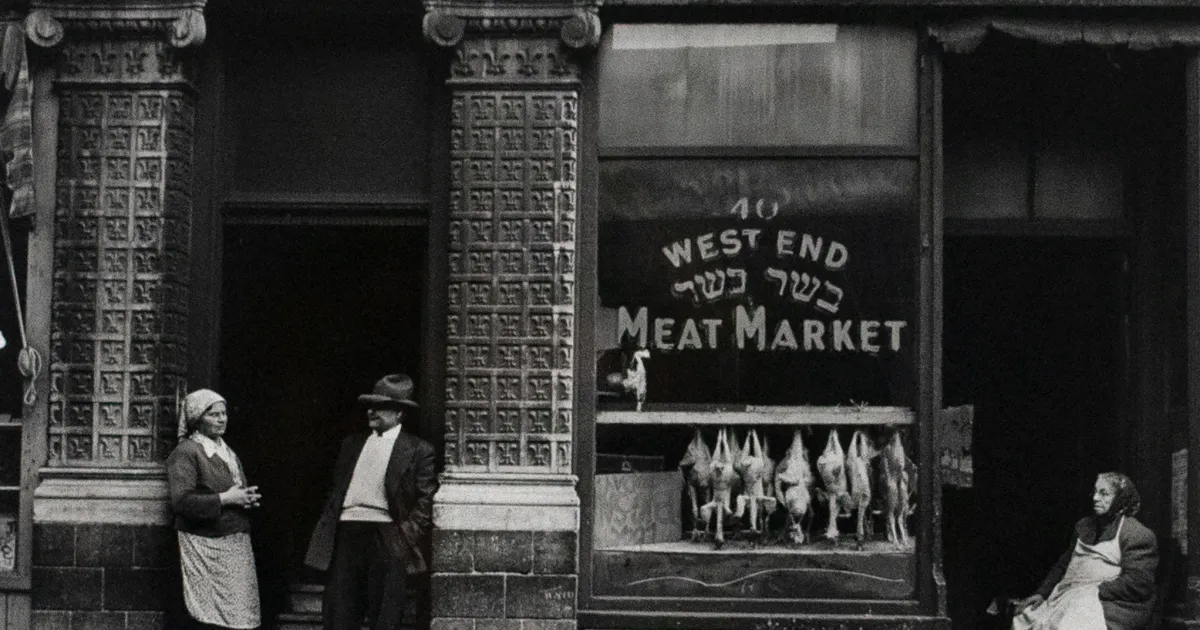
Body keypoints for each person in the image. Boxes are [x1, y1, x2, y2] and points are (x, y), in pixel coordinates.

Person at [304, 373, 437, 630]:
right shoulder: (350, 445)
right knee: (340, 613)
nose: (371, 411)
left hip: (387, 534)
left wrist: (403, 537)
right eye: (370, 406)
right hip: (346, 532)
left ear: (399, 413)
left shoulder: (418, 449)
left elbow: (425, 499)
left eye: (380, 406)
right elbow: (335, 490)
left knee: (385, 616)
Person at [1011, 472, 1159, 630]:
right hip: (1068, 595)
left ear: (1121, 499)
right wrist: (1042, 593)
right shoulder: (1084, 526)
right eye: (1095, 492)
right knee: (1025, 618)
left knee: (1068, 624)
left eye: (1104, 493)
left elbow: (1138, 583)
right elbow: (1063, 566)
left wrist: (1093, 590)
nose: (1095, 498)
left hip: (1112, 603)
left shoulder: (1136, 534)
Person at [166, 389, 263, 630]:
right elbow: (181, 502)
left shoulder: (226, 451)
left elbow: (234, 490)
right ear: (198, 419)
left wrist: (244, 499)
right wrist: (226, 499)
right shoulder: (187, 452)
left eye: (224, 414)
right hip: (205, 543)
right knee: (212, 616)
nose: (222, 419)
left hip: (235, 541)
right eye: (214, 415)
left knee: (241, 614)